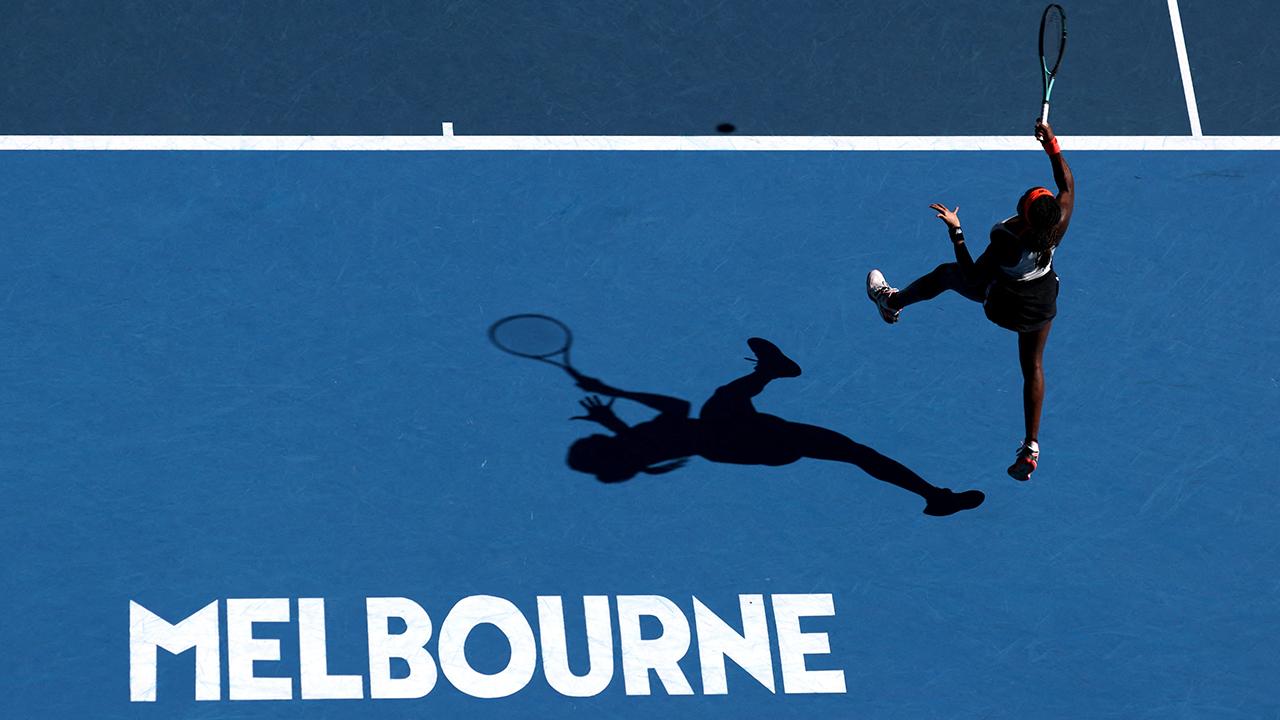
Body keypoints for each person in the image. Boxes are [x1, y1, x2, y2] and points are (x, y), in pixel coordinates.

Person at [865, 120, 1074, 481]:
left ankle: (891, 303)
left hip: (1005, 303)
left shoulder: (1007, 240)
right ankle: (1031, 447)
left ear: (1025, 213)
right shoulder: (1059, 221)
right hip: (1042, 301)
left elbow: (974, 276)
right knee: (1033, 367)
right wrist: (1051, 144)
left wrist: (956, 231)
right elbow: (1067, 184)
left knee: (947, 274)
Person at [567, 337, 985, 516]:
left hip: (743, 444)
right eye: (590, 441)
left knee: (856, 453)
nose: (591, 436)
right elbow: (675, 407)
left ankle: (936, 497)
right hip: (746, 437)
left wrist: (611, 419)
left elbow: (645, 438)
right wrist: (611, 391)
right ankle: (771, 369)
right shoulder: (638, 444)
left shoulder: (633, 452)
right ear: (598, 450)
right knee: (721, 401)